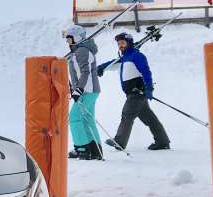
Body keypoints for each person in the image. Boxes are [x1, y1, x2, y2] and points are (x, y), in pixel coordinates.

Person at [98, 31, 170, 151]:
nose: (120, 45)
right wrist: (101, 67)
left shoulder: (137, 56)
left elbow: (146, 72)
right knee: (150, 119)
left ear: (129, 43)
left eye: (122, 43)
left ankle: (120, 141)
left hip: (136, 93)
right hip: (133, 94)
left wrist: (149, 87)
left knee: (127, 115)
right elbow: (113, 62)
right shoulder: (125, 57)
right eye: (119, 43)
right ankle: (162, 141)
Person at [63, 24, 102, 160]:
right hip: (89, 90)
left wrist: (79, 89)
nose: (68, 41)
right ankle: (95, 150)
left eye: (70, 38)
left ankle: (82, 149)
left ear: (77, 37)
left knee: (74, 118)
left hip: (87, 91)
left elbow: (85, 72)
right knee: (87, 119)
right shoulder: (79, 51)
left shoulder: (82, 51)